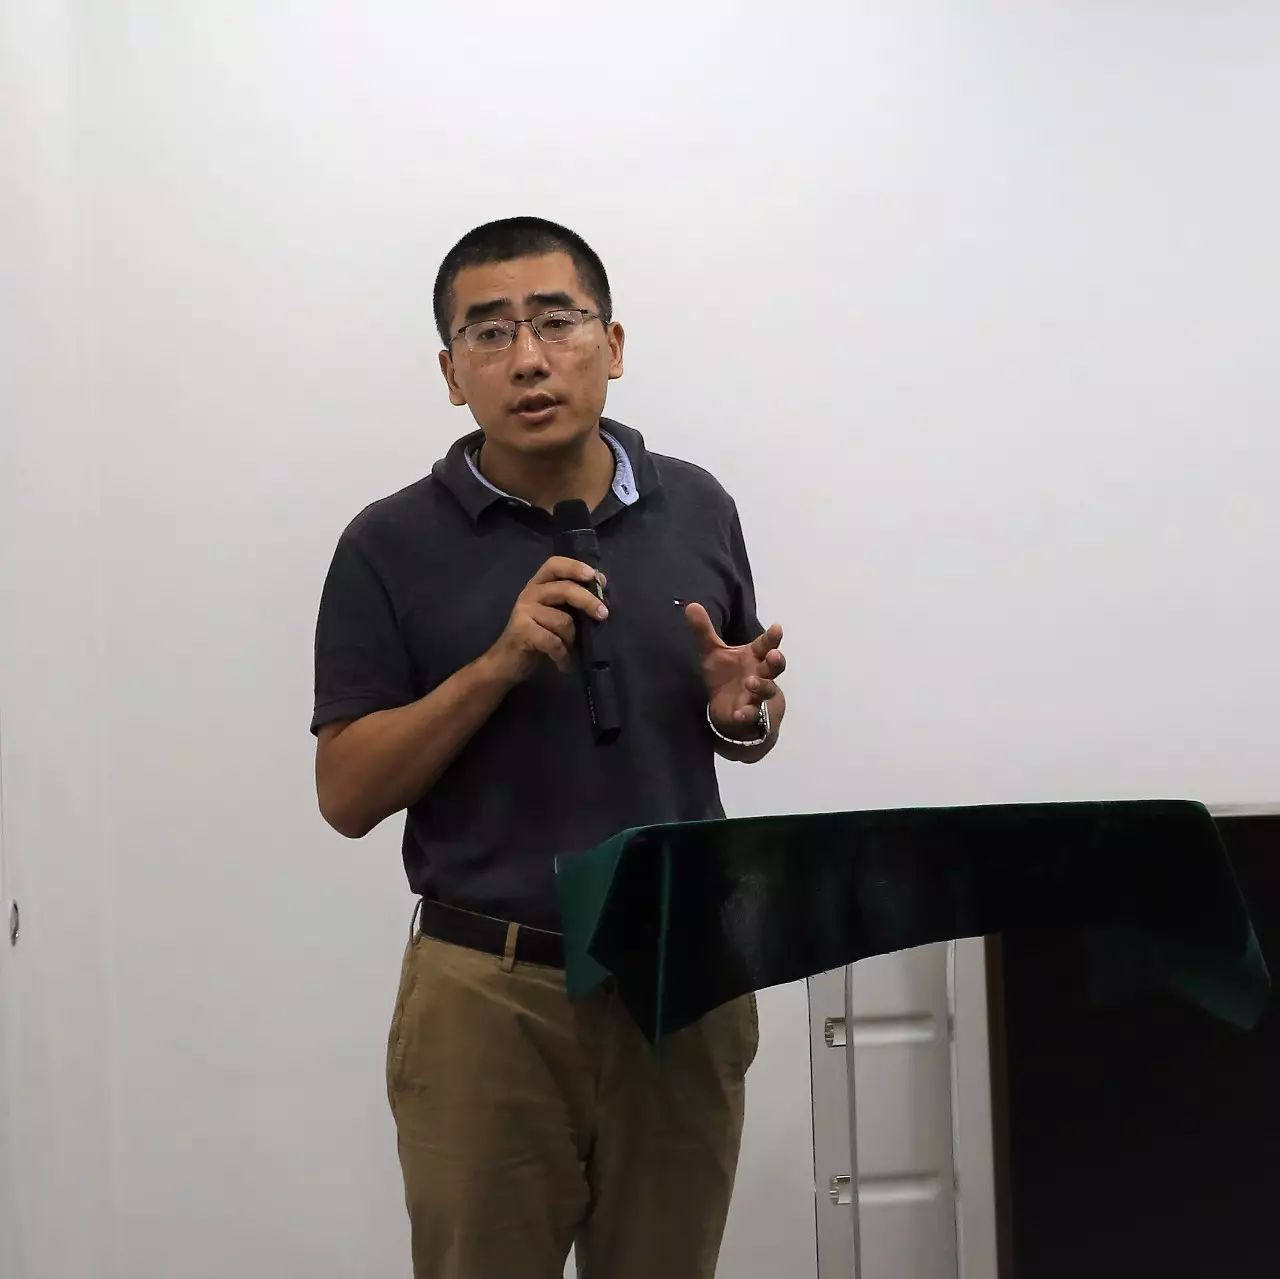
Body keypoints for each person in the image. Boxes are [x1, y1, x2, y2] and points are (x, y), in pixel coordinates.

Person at [310, 216, 788, 1279]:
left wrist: (737, 711)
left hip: (678, 975)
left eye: (556, 322)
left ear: (611, 345)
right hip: (490, 991)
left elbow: (741, 722)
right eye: (489, 333)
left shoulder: (697, 505)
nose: (528, 357)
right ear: (451, 374)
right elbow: (344, 792)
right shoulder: (387, 545)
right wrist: (495, 667)